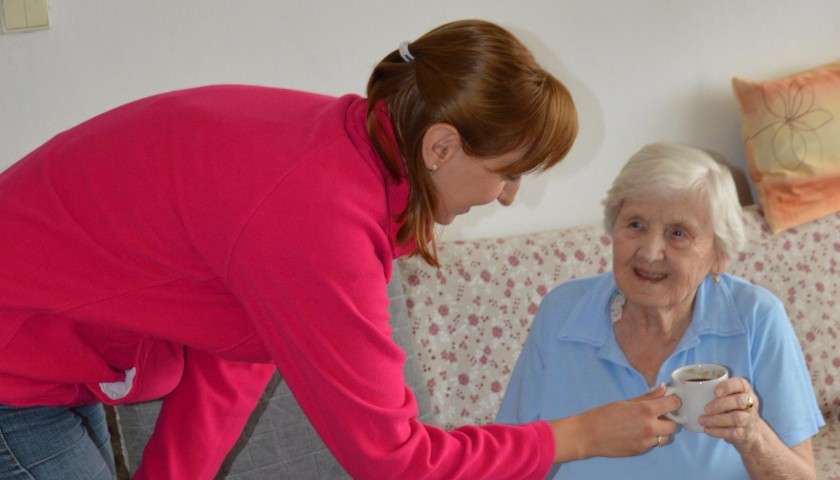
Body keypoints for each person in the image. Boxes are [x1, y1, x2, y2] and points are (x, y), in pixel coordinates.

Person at [0, 19, 680, 480]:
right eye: (507, 171)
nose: (506, 196)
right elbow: (393, 459)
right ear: (441, 146)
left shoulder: (337, 150)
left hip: (47, 351)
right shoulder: (319, 216)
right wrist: (580, 437)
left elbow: (238, 349)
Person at [496, 142, 825, 479]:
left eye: (678, 233)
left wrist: (751, 435)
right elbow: (506, 460)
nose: (650, 253)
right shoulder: (562, 313)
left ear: (720, 255)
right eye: (635, 225)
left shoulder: (756, 318)